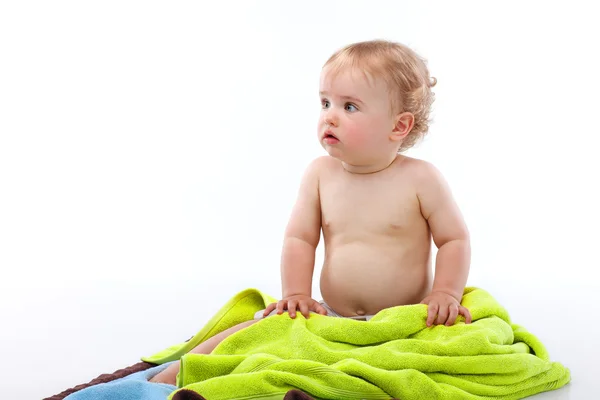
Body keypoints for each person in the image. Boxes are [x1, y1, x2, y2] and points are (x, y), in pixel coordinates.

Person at [150, 39, 472, 385]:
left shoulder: (420, 178)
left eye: (349, 107)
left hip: (403, 319)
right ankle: (176, 372)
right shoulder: (320, 174)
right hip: (329, 314)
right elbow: (300, 238)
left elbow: (454, 238)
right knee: (256, 330)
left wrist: (446, 293)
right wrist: (296, 295)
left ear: (398, 126)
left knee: (442, 354)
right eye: (325, 102)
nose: (329, 116)